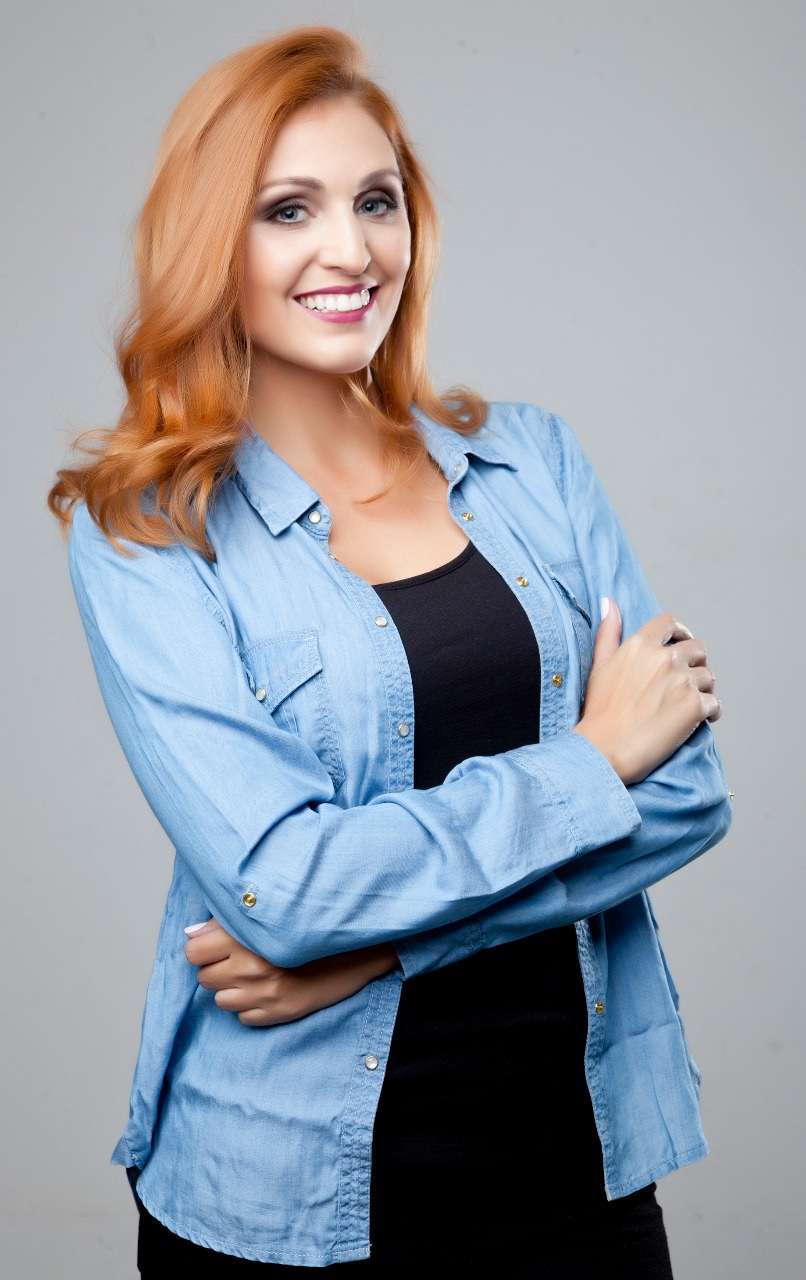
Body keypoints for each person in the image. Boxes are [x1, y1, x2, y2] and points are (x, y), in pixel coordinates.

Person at [49, 26, 731, 1278]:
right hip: (278, 1199)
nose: (350, 249)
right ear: (210, 243)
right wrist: (592, 760)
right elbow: (284, 887)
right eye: (288, 210)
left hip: (574, 1166)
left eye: (375, 200)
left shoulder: (534, 463)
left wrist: (383, 944)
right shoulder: (145, 533)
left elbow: (687, 792)